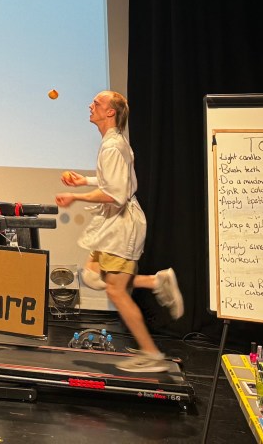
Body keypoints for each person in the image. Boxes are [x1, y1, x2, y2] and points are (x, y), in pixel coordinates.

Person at [55, 90, 184, 373]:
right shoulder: (113, 143)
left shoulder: (112, 146)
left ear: (110, 112)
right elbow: (116, 181)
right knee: (93, 276)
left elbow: (116, 195)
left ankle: (151, 354)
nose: (91, 105)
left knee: (116, 291)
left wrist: (76, 196)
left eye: (97, 103)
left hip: (121, 224)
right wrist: (85, 180)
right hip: (114, 223)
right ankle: (154, 282)